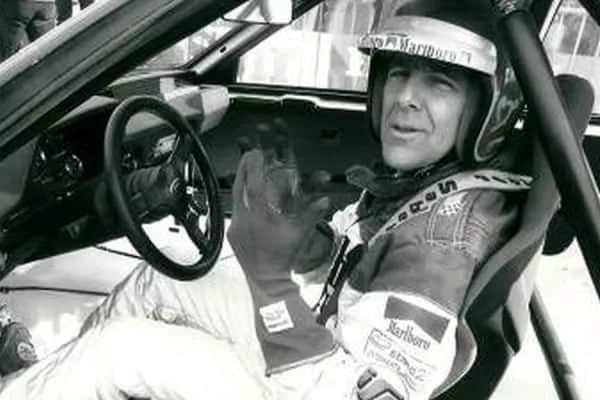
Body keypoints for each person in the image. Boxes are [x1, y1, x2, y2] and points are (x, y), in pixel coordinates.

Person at [0, 1, 531, 399]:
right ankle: (51, 382)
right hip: (323, 340)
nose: (405, 98)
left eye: (439, 83)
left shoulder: (439, 249)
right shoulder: (432, 183)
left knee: (118, 349)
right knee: (161, 278)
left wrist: (272, 280)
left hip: (314, 379)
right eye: (398, 74)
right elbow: (358, 271)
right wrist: (305, 240)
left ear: (487, 108)